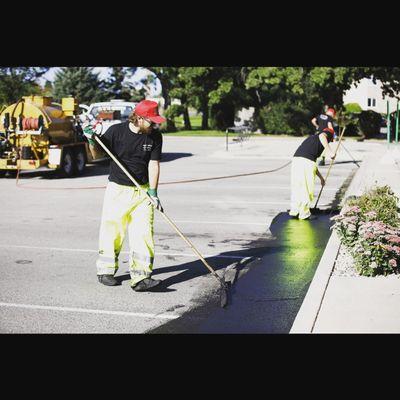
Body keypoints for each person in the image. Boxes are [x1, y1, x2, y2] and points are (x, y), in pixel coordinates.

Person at [83, 100, 166, 291]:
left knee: (144, 234)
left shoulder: (155, 137)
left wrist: (153, 193)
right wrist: (91, 140)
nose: (154, 125)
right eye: (151, 121)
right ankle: (105, 270)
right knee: (113, 231)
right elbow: (97, 155)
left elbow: (154, 164)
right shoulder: (116, 132)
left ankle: (141, 277)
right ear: (138, 118)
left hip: (143, 191)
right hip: (118, 190)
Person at [289, 127, 336, 220]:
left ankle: (295, 211)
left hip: (296, 160)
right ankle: (304, 213)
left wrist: (321, 178)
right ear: (330, 135)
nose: (330, 141)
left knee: (297, 186)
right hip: (306, 162)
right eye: (330, 140)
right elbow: (323, 136)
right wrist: (330, 152)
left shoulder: (312, 138)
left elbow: (311, 164)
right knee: (306, 188)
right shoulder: (323, 135)